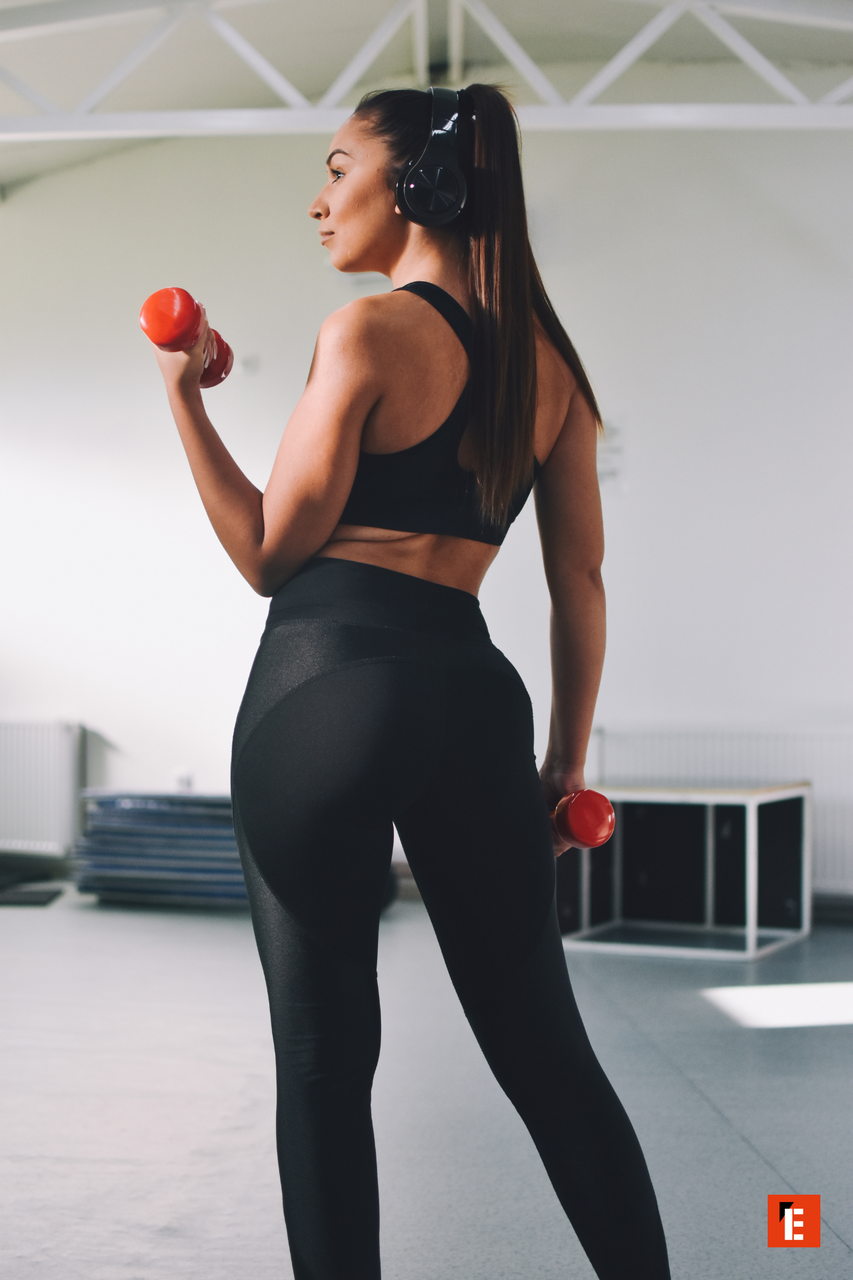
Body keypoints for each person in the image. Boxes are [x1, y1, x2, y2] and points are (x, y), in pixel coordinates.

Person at [152, 83, 670, 1280]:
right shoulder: (552, 370)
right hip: (472, 701)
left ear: (417, 187)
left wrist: (183, 400)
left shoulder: (367, 334)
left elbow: (267, 551)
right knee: (549, 1056)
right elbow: (579, 582)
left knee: (327, 1065)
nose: (319, 199)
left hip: (323, 684)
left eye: (338, 169)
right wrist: (564, 764)